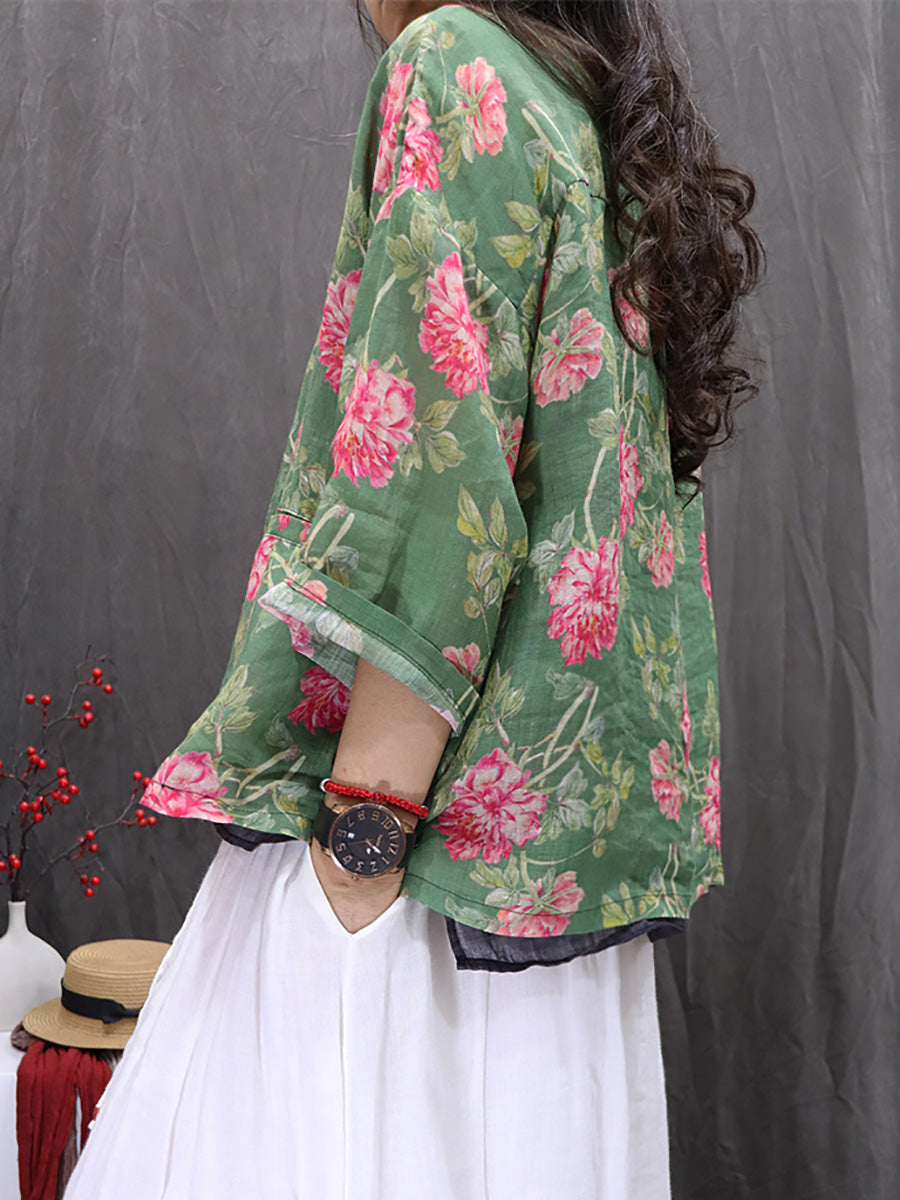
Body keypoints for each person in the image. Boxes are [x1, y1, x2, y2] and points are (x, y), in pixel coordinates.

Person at [63, 2, 764, 1197]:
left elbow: (442, 487)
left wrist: (361, 843)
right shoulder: (583, 110)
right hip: (550, 904)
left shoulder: (454, 62)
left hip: (424, 868)